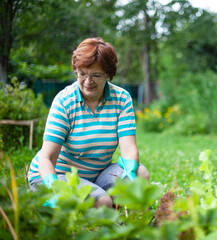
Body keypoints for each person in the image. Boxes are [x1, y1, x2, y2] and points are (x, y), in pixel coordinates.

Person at [27, 37, 149, 208]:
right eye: (82, 73)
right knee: (103, 202)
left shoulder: (121, 99)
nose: (87, 81)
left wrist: (129, 175)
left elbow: (129, 150)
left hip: (96, 174)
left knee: (140, 174)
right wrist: (54, 188)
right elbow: (47, 159)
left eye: (95, 75)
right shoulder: (64, 101)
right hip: (56, 174)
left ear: (108, 74)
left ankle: (121, 218)